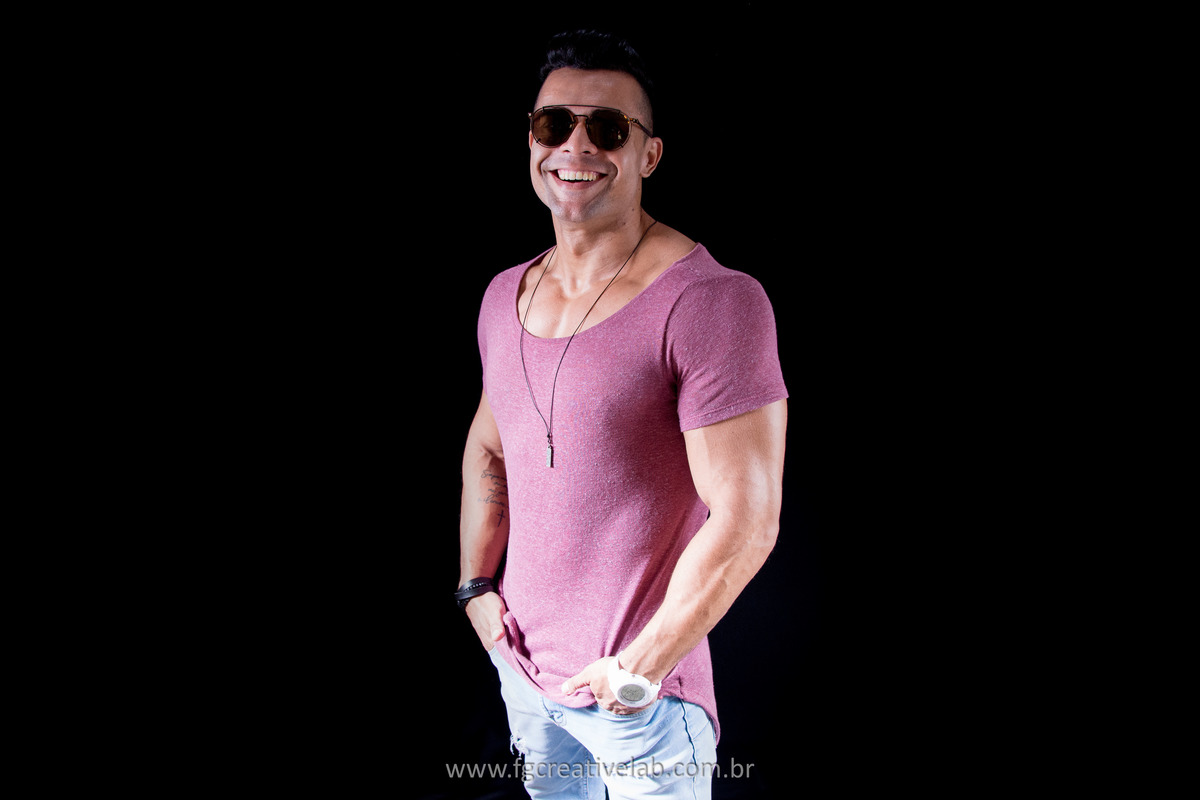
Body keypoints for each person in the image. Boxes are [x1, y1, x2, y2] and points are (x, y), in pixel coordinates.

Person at [456, 30, 788, 799]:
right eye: (554, 125)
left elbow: (748, 519)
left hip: (640, 701)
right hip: (525, 673)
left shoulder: (711, 302)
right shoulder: (504, 295)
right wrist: (475, 589)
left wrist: (639, 668)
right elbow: (490, 447)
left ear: (649, 155)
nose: (575, 146)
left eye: (607, 129)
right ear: (531, 139)